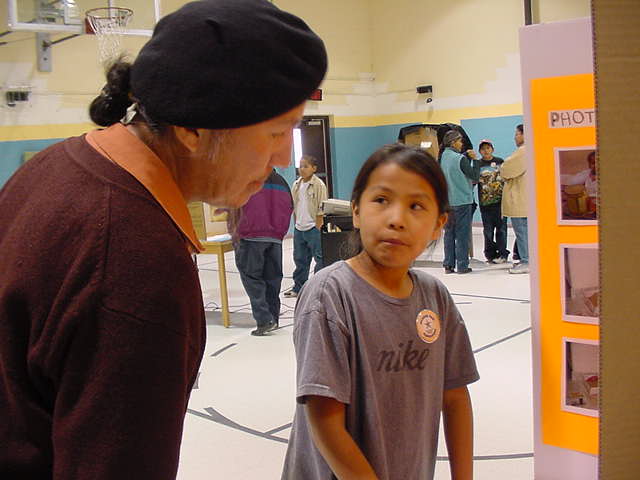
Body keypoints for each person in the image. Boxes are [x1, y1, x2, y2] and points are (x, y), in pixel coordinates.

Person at [0, 1, 327, 478]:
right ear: (193, 129)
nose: (281, 157)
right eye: (276, 132)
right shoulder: (136, 262)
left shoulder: (54, 165)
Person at [282, 144, 479, 480]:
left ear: (438, 225)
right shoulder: (330, 295)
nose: (396, 219)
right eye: (381, 200)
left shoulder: (435, 297)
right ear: (356, 211)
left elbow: (456, 396)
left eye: (416, 206)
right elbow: (324, 419)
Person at [232, 169, 293, 336]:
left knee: (251, 277)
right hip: (275, 237)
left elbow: (233, 204)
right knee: (273, 279)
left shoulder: (246, 178)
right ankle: (273, 317)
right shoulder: (281, 181)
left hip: (251, 235)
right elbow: (290, 207)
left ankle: (264, 319)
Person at [284, 155, 328, 298]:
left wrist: (318, 225)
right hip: (299, 228)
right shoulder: (296, 185)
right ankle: (299, 287)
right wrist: (296, 223)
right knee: (300, 259)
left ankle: (317, 287)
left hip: (313, 228)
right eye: (300, 166)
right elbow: (294, 205)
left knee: (319, 258)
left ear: (314, 169)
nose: (302, 169)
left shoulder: (319, 185)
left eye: (305, 166)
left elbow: (322, 206)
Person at [440, 130, 479, 274]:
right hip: (462, 201)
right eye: (460, 141)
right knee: (462, 234)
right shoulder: (460, 159)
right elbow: (474, 175)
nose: (461, 144)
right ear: (453, 142)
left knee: (449, 233)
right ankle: (462, 265)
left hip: (448, 202)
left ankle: (448, 265)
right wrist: (475, 160)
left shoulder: (443, 157)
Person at [501, 124, 529, 274]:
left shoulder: (524, 151)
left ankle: (526, 261)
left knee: (522, 232)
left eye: (517, 134)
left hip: (521, 199)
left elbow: (506, 169)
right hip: (527, 199)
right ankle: (527, 259)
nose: (515, 137)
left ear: (524, 135)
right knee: (525, 232)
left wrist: (503, 171)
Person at [477, 139, 509, 263]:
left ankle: (502, 253)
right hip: (485, 204)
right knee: (488, 231)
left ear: (492, 149)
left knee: (501, 229)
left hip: (500, 203)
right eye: (483, 149)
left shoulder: (500, 162)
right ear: (480, 151)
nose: (486, 151)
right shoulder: (477, 164)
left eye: (488, 148)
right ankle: (490, 254)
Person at [560, 150, 597, 215]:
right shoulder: (588, 173)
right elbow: (572, 180)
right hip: (585, 201)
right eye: (593, 163)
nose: (596, 165)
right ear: (589, 165)